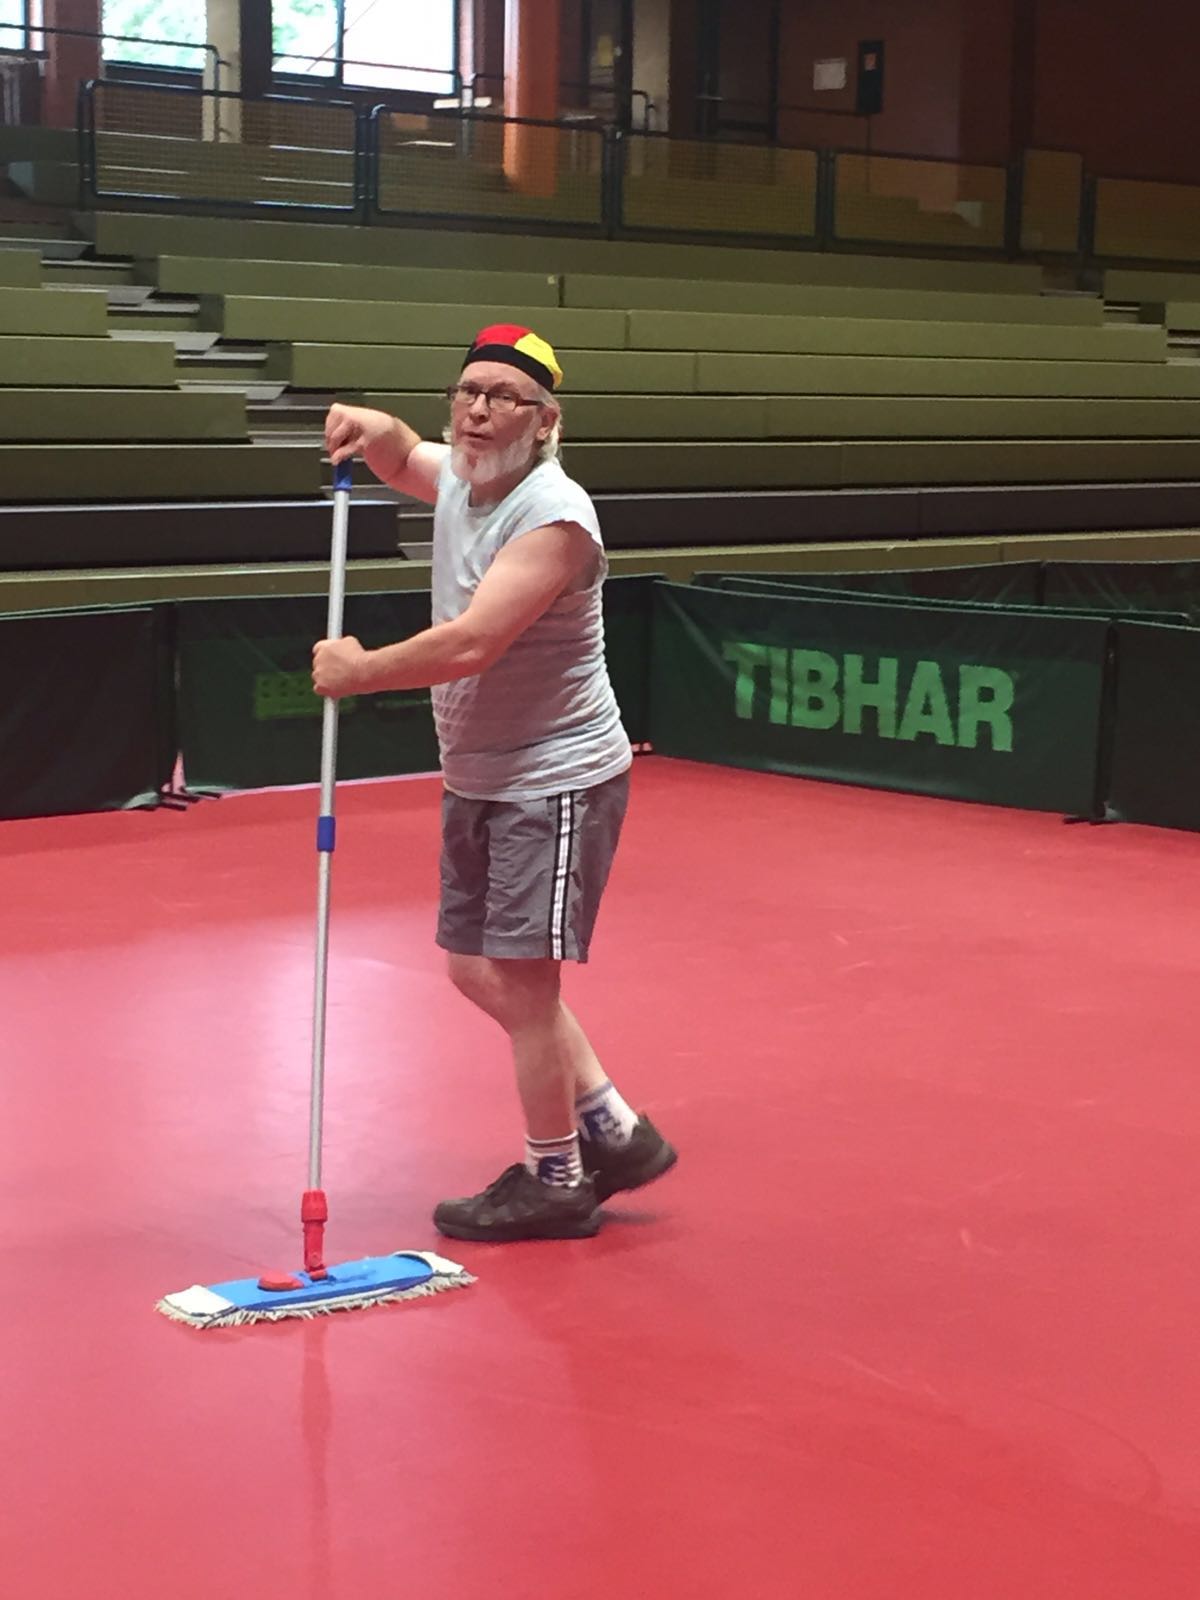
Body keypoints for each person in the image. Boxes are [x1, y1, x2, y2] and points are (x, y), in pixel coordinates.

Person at [313, 323, 676, 1242]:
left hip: (552, 778)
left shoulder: (554, 518)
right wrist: (376, 429)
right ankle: (615, 1131)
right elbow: (406, 458)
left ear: (545, 420)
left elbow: (475, 641)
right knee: (476, 966)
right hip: (481, 771)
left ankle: (556, 1179)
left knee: (523, 984)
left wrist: (361, 671)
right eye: (468, 392)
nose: (478, 409)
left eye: (503, 398)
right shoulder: (466, 478)